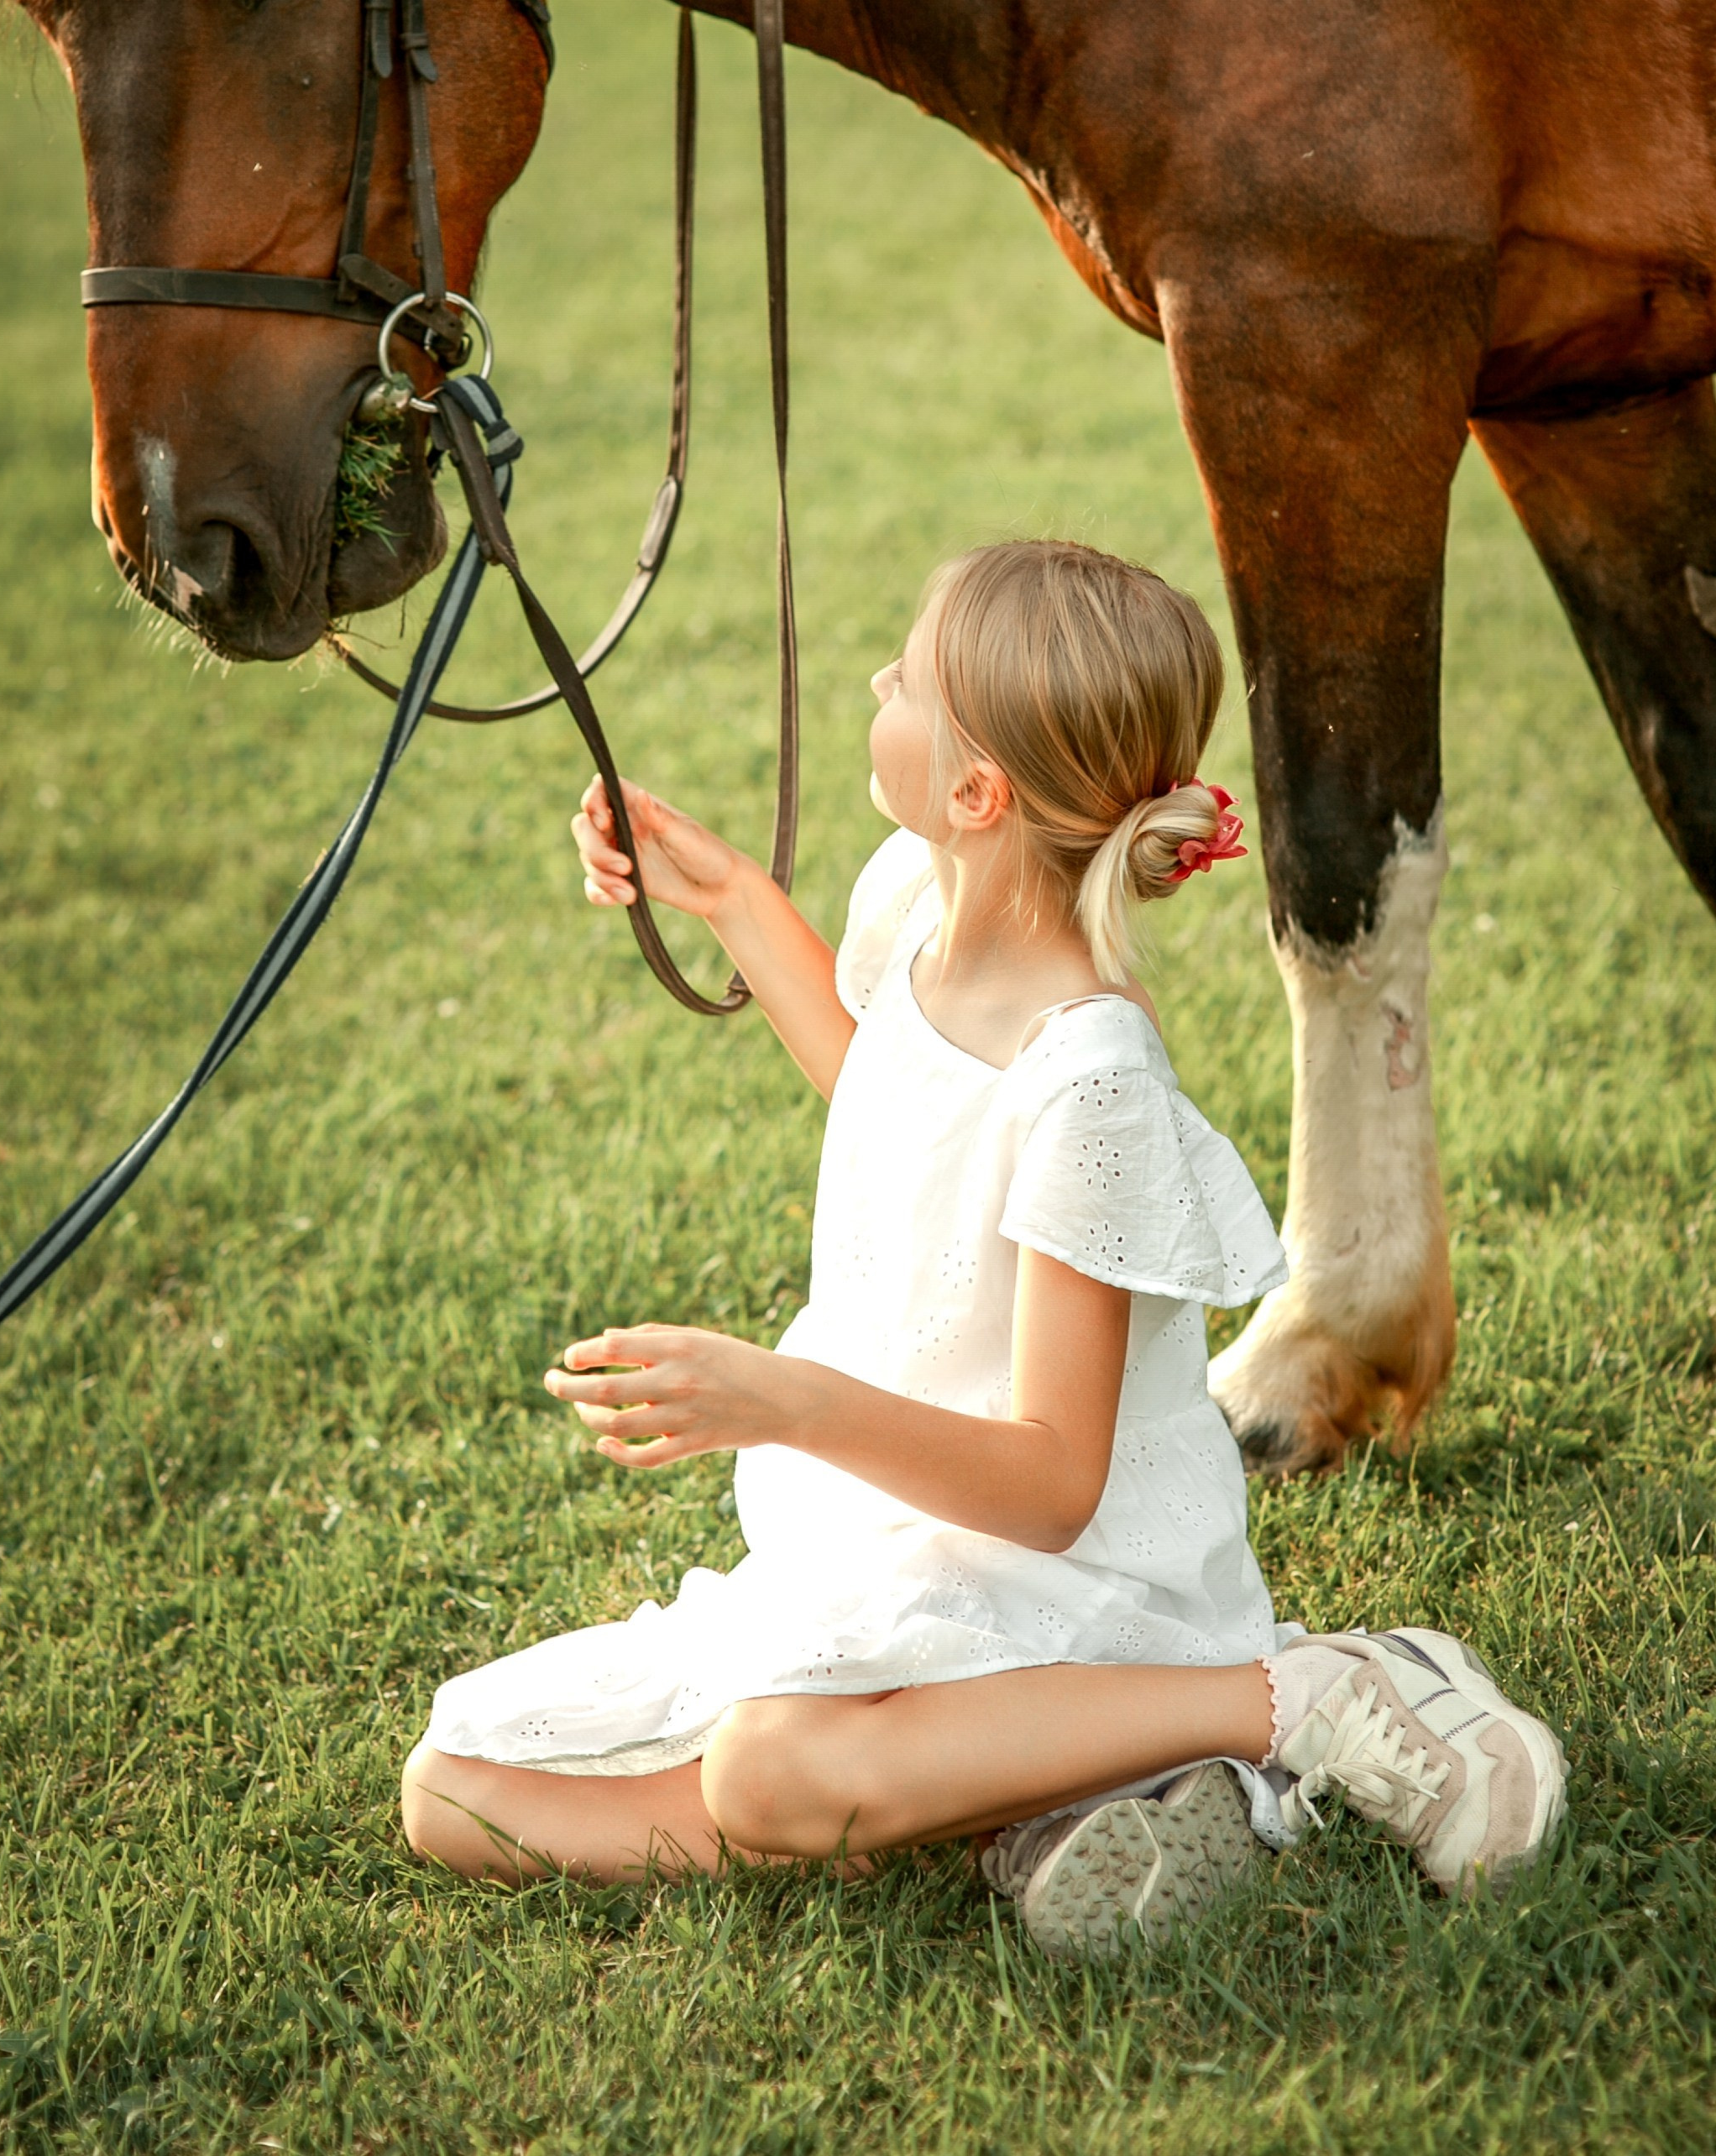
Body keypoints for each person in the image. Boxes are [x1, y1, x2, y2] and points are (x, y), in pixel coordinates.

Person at [401, 540, 1565, 1955]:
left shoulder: (1096, 1081)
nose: (876, 681)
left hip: (1072, 1579)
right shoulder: (912, 900)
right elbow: (900, 1115)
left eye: (906, 674)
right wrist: (730, 903)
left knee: (763, 1769)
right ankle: (1017, 1797)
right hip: (901, 1543)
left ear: (978, 792)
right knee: (454, 1795)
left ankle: (1304, 1697)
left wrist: (773, 1400)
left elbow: (1055, 1485)